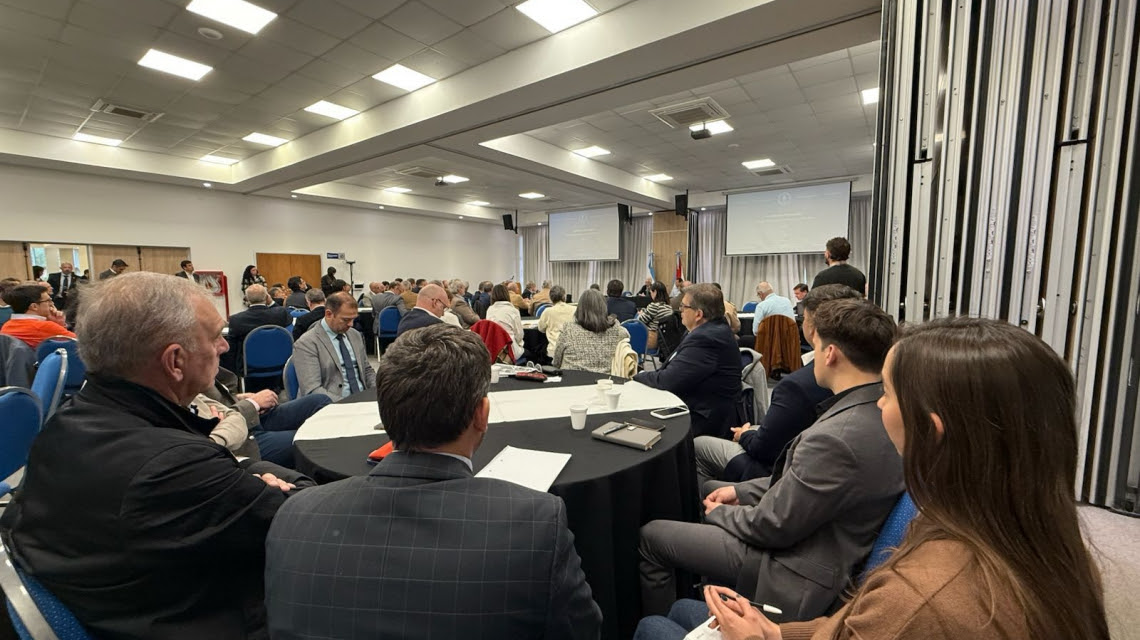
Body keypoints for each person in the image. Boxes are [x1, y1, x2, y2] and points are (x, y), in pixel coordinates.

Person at [634, 317, 1110, 640]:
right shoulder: (1045, 544)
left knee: (654, 626)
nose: (878, 403)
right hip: (814, 600)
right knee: (678, 614)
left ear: (931, 430)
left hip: (797, 573)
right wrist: (776, 633)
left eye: (889, 392)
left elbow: (880, 617)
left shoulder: (920, 597)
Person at [0, 272, 314, 639]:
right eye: (215, 337)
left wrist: (241, 468)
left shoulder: (65, 423)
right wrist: (265, 475)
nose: (223, 347)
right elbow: (309, 524)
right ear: (175, 361)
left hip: (115, 604)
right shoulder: (174, 465)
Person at [265, 324, 603, 638]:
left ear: (385, 411)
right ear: (481, 415)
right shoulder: (536, 525)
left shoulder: (295, 515)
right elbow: (583, 631)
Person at [638, 298, 901, 620]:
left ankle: (669, 623)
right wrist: (739, 492)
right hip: (819, 535)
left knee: (652, 536)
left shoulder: (838, 434)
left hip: (794, 565)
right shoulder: (878, 408)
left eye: (816, 346)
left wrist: (722, 514)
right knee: (711, 490)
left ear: (830, 353)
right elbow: (808, 483)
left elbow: (773, 525)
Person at [694, 285, 861, 488]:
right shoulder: (869, 377)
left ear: (813, 328)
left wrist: (744, 435)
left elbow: (763, 448)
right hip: (827, 471)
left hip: (776, 474)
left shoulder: (797, 387)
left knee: (698, 445)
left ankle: (707, 502)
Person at [634, 283, 741, 438]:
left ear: (698, 314)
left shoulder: (706, 339)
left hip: (705, 419)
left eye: (684, 307)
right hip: (699, 405)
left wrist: (637, 375)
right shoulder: (708, 330)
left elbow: (668, 381)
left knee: (636, 427)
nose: (680, 311)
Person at [202, 368, 331, 468]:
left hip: (246, 414)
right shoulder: (193, 379)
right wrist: (252, 403)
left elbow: (218, 400)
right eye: (213, 342)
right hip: (240, 440)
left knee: (319, 401)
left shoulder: (203, 367)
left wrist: (237, 397)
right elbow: (218, 425)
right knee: (308, 439)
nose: (224, 346)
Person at [293, 292, 374, 400]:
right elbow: (312, 390)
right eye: (346, 320)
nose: (351, 324)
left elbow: (367, 370)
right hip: (331, 403)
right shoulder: (306, 343)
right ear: (329, 314)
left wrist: (378, 392)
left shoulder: (355, 335)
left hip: (363, 400)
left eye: (353, 319)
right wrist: (348, 404)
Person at [553, 289, 630, 374]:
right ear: (604, 308)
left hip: (571, 379)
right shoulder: (619, 331)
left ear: (580, 309)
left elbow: (556, 362)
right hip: (606, 380)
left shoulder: (568, 330)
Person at [225, 284, 292, 372]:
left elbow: (231, 349)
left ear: (247, 299)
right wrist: (271, 302)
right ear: (267, 297)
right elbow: (287, 316)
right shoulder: (280, 314)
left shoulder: (236, 320)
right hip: (280, 364)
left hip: (249, 368)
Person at [0, 284, 75, 348]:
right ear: (34, 306)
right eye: (48, 301)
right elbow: (79, 343)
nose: (52, 304)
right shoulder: (44, 327)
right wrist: (59, 324)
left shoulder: (6, 326)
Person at [486, 283, 524, 357]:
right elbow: (519, 335)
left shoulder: (489, 310)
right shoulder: (513, 310)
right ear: (507, 294)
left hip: (494, 350)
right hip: (509, 350)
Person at [538, 284, 575, 357]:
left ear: (551, 298)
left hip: (553, 351)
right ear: (564, 296)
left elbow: (541, 328)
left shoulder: (547, 311)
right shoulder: (575, 309)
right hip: (572, 350)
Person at [636, 281, 673, 350]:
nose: (651, 295)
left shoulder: (654, 306)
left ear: (655, 292)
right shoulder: (669, 307)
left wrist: (641, 314)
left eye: (651, 293)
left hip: (653, 340)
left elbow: (640, 321)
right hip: (664, 340)